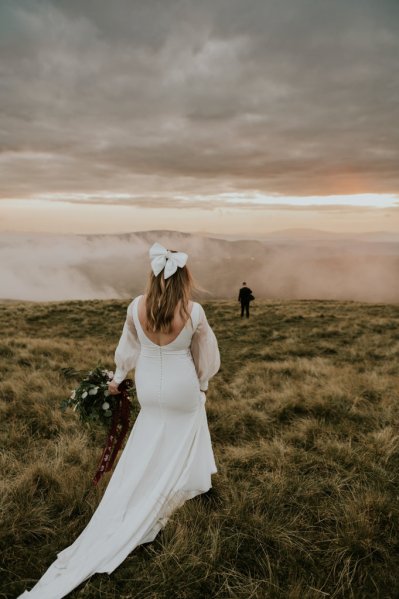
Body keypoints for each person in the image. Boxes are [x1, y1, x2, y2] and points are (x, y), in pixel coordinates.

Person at [18, 242, 220, 599]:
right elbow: (206, 358)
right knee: (188, 423)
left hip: (149, 390)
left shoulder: (135, 307)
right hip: (180, 387)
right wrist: (201, 384)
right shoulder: (194, 312)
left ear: (153, 276)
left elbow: (127, 349)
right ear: (183, 278)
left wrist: (118, 377)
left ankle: (144, 480)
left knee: (150, 433)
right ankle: (184, 479)